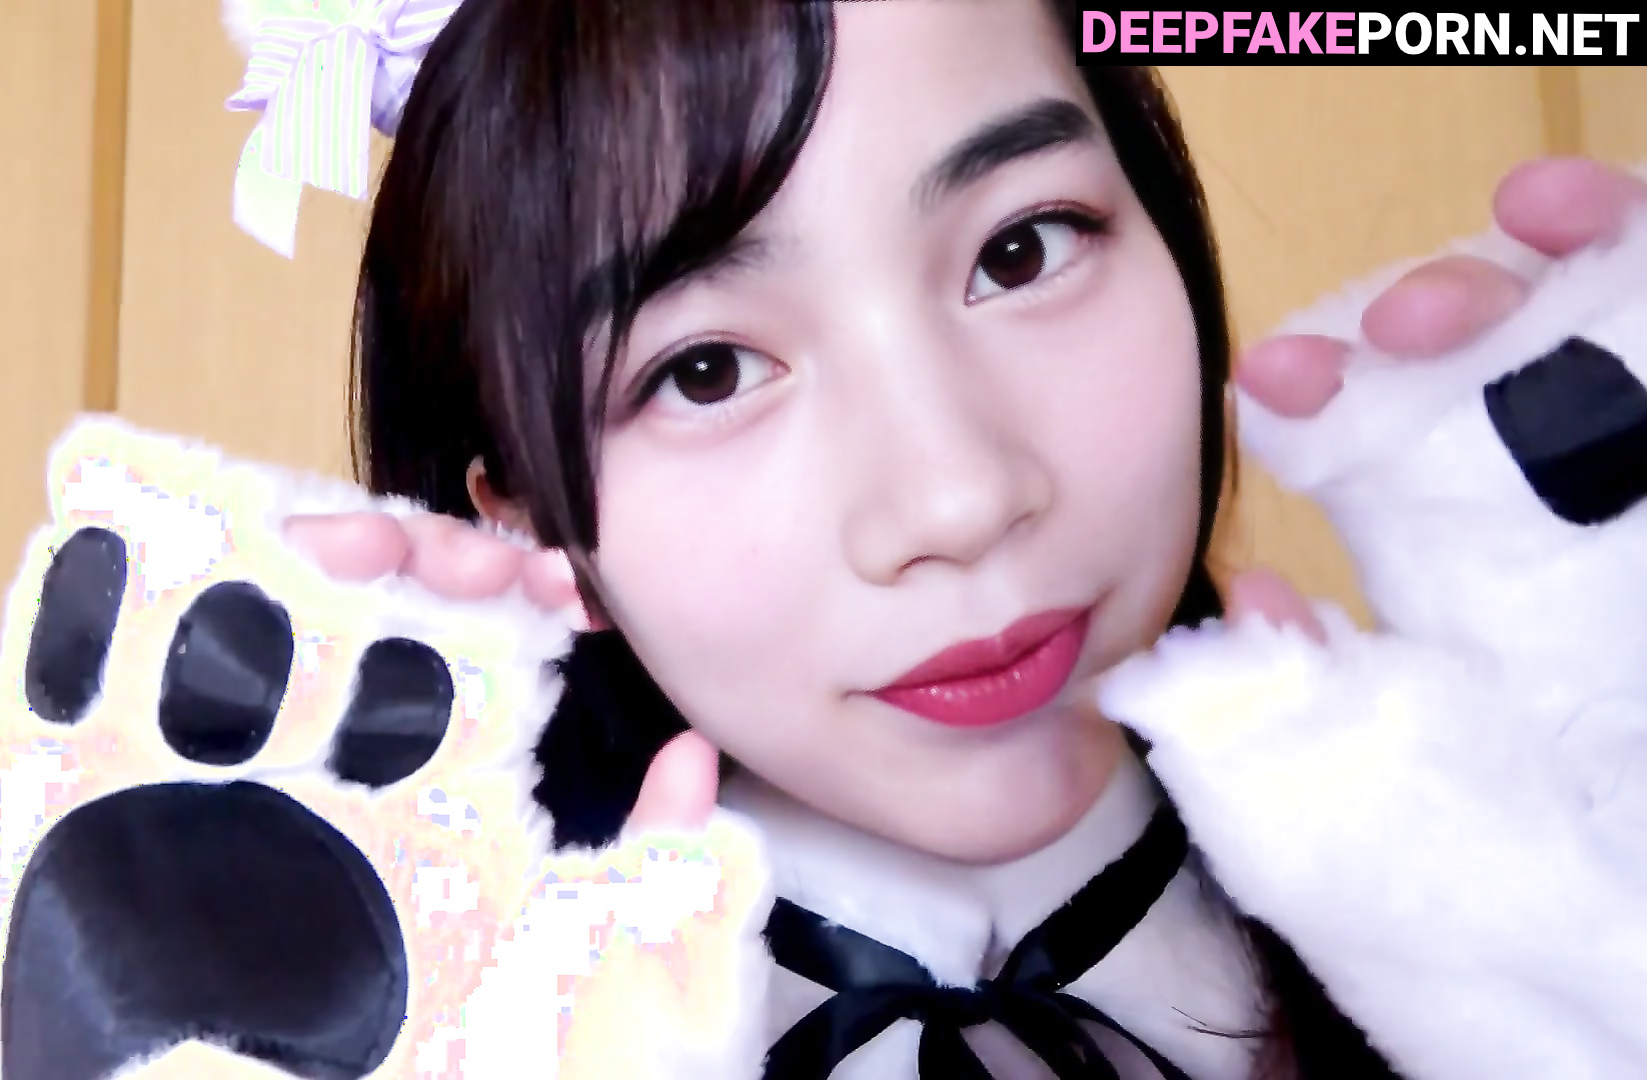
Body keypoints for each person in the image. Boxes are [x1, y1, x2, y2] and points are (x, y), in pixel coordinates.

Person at [255, 0, 1647, 1075]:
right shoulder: (467, 1030)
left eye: (1022, 250)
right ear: (530, 519)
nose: (959, 499)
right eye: (706, 372)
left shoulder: (1513, 876)